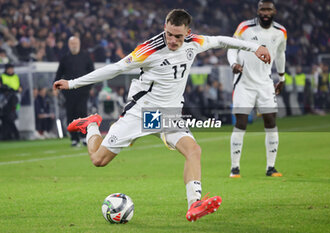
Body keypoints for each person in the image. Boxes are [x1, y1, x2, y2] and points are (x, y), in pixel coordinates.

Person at [53, 9, 271, 221]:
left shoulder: (195, 42)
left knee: (194, 150)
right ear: (164, 28)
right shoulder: (148, 50)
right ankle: (91, 125)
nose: (172, 40)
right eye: (169, 34)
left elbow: (223, 41)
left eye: (178, 36)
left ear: (187, 33)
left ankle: (194, 203)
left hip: (169, 115)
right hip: (142, 113)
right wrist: (72, 83)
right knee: (98, 160)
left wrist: (256, 47)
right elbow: (115, 68)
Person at [227, 0, 285, 178]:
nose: (265, 12)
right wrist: (233, 63)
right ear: (258, 11)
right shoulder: (245, 28)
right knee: (241, 123)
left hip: (265, 83)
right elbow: (231, 46)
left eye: (268, 9)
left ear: (274, 11)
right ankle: (235, 168)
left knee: (270, 122)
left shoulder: (280, 32)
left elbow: (281, 53)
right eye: (262, 9)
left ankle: (271, 167)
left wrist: (281, 77)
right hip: (244, 83)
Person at [55, 36, 95, 147]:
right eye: (72, 43)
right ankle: (74, 138)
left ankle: (83, 137)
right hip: (69, 92)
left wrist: (90, 87)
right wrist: (56, 86)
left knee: (81, 113)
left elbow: (92, 73)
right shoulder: (65, 58)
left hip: (83, 91)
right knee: (70, 114)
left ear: (79, 44)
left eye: (75, 43)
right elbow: (59, 73)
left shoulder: (86, 57)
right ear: (69, 45)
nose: (74, 45)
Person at [0, 63, 21, 140]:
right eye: (10, 68)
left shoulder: (16, 76)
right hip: (5, 96)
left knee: (12, 116)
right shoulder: (2, 76)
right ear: (6, 69)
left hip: (14, 96)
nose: (11, 70)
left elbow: (20, 86)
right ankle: (13, 135)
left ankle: (12, 134)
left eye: (12, 68)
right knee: (6, 116)